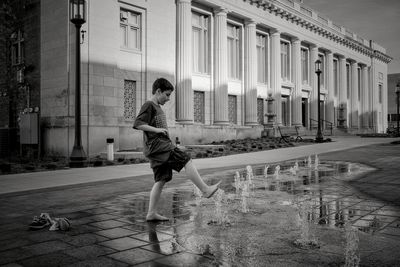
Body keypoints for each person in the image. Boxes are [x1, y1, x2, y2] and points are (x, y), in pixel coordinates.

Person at [133, 78, 221, 221]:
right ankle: (205, 190)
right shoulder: (149, 105)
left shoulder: (158, 108)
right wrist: (157, 130)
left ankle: (151, 213)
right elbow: (137, 123)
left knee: (161, 180)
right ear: (158, 91)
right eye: (167, 95)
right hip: (159, 147)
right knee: (186, 159)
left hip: (158, 148)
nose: (168, 99)